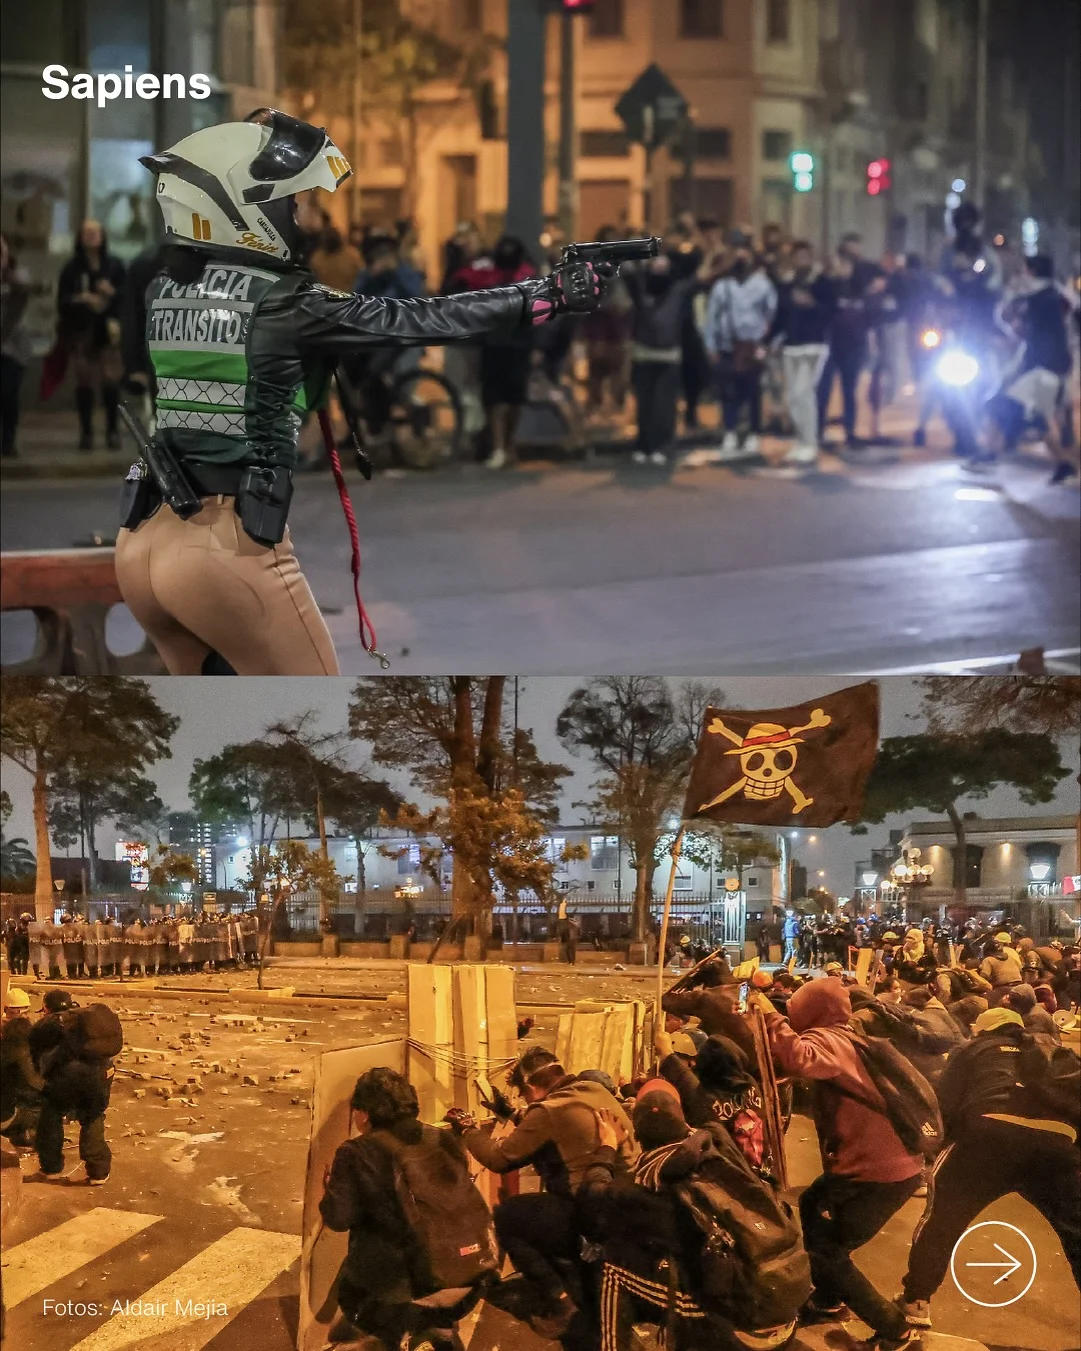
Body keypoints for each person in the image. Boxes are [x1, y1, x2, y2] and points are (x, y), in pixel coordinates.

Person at [113, 110, 604, 675]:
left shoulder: (164, 289)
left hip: (142, 543)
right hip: (226, 553)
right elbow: (421, 319)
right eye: (290, 204)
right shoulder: (284, 300)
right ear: (244, 209)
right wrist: (545, 297)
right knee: (310, 728)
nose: (302, 217)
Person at [757, 979, 924, 1348]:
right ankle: (829, 1300)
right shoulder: (847, 1037)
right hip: (883, 1165)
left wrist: (771, 1018)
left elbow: (798, 1057)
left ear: (812, 1010)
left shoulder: (827, 1039)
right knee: (812, 1203)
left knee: (827, 1252)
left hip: (876, 1172)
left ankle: (896, 1329)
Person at [899, 1005, 1080, 1326]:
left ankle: (915, 1302)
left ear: (982, 1030)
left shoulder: (972, 1049)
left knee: (942, 1222)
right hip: (1057, 1142)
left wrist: (937, 1151)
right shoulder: (1052, 1052)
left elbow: (944, 1104)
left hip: (987, 1135)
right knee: (1076, 1231)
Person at [451, 1046, 637, 1341]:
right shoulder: (592, 1090)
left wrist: (468, 1130)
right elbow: (561, 1128)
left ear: (530, 1087)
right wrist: (511, 1114)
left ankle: (558, 1297)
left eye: (522, 1095)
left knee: (509, 1216)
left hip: (592, 1212)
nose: (524, 1101)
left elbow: (501, 1159)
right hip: (627, 1205)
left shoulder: (548, 1110)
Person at [320, 1067, 494, 1350]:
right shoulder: (443, 1138)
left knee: (356, 1293)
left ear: (363, 1114)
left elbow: (338, 1219)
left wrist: (330, 1190)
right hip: (469, 1279)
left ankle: (386, 1334)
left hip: (399, 1297)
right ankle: (440, 1328)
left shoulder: (355, 1152)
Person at [986, 254, 1075, 482]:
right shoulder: (1054, 294)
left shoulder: (1039, 296)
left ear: (1032, 272)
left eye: (1024, 270)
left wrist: (1011, 292)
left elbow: (1008, 319)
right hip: (1047, 365)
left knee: (1025, 412)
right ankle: (990, 453)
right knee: (1020, 411)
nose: (1021, 275)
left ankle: (1063, 462)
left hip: (1043, 367)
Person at [29, 989, 117, 1185]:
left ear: (46, 1008)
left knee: (51, 1113)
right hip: (103, 1072)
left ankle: (51, 1169)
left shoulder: (48, 1023)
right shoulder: (88, 1018)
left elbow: (34, 1054)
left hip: (69, 1075)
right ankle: (98, 1172)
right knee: (93, 1115)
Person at [655, 1026, 769, 1173]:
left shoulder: (704, 1098)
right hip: (761, 1172)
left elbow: (682, 1076)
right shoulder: (750, 1084)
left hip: (729, 1178)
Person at [623, 246, 698, 466]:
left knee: (664, 405)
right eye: (655, 262)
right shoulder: (641, 288)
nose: (659, 266)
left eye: (663, 263)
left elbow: (700, 278)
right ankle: (643, 445)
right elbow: (627, 273)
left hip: (669, 354)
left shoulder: (678, 289)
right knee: (644, 404)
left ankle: (662, 446)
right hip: (644, 352)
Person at [56, 220, 126, 450]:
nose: (91, 237)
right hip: (82, 331)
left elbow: (127, 298)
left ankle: (112, 431)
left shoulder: (114, 265)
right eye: (86, 233)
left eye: (95, 232)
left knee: (110, 382)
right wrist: (82, 298)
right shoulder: (73, 268)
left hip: (108, 331)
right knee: (84, 382)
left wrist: (112, 293)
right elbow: (62, 301)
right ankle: (86, 433)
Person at [703, 243, 777, 459]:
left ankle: (754, 433)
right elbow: (712, 318)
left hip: (753, 346)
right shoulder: (722, 286)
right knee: (728, 391)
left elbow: (771, 314)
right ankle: (730, 431)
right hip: (727, 345)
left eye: (745, 257)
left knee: (753, 391)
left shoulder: (762, 285)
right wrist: (711, 346)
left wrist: (766, 342)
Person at [767, 240, 835, 466]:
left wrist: (812, 304)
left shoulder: (822, 281)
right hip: (791, 345)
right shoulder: (787, 284)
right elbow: (780, 315)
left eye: (806, 256)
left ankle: (810, 443)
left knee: (803, 392)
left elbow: (831, 310)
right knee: (792, 397)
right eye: (798, 256)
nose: (802, 260)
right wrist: (769, 340)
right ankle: (801, 440)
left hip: (814, 344)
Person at [817, 234, 883, 450]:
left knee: (849, 390)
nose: (845, 268)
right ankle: (818, 432)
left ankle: (850, 433)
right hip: (830, 344)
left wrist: (871, 342)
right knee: (823, 389)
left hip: (853, 344)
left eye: (848, 265)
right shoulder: (829, 287)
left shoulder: (859, 288)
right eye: (842, 263)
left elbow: (869, 317)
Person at [1, 233, 33, 458]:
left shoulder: (17, 276)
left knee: (8, 392)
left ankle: (8, 441)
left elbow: (22, 290)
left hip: (13, 346)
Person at [1, 987, 44, 1147]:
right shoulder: (19, 1046)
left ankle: (18, 1134)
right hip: (6, 1114)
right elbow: (31, 1081)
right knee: (48, 1108)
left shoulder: (7, 1038)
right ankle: (26, 1135)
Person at [308, 222, 364, 294]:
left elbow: (362, 276)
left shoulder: (353, 255)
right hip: (328, 297)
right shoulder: (317, 257)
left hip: (346, 297)